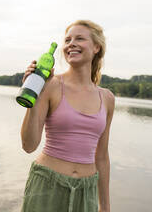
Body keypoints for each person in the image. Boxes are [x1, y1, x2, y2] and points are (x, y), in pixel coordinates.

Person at [20, 20, 115, 212]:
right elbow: (29, 146)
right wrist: (34, 93)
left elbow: (102, 156)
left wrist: (105, 206)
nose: (71, 43)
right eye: (68, 40)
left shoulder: (107, 98)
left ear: (97, 47)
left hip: (86, 192)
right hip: (47, 186)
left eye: (79, 38)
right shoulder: (51, 85)